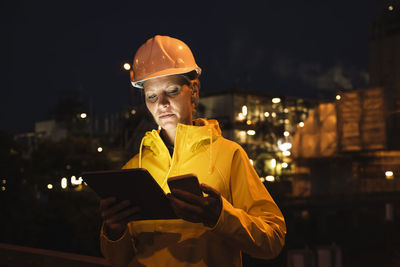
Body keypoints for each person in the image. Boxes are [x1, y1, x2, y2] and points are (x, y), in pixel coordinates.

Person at [99, 35, 286, 267]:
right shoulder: (133, 169)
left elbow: (273, 239)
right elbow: (117, 261)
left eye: (172, 91)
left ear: (194, 90)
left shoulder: (229, 156)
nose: (162, 104)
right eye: (152, 96)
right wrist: (114, 232)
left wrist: (220, 216)